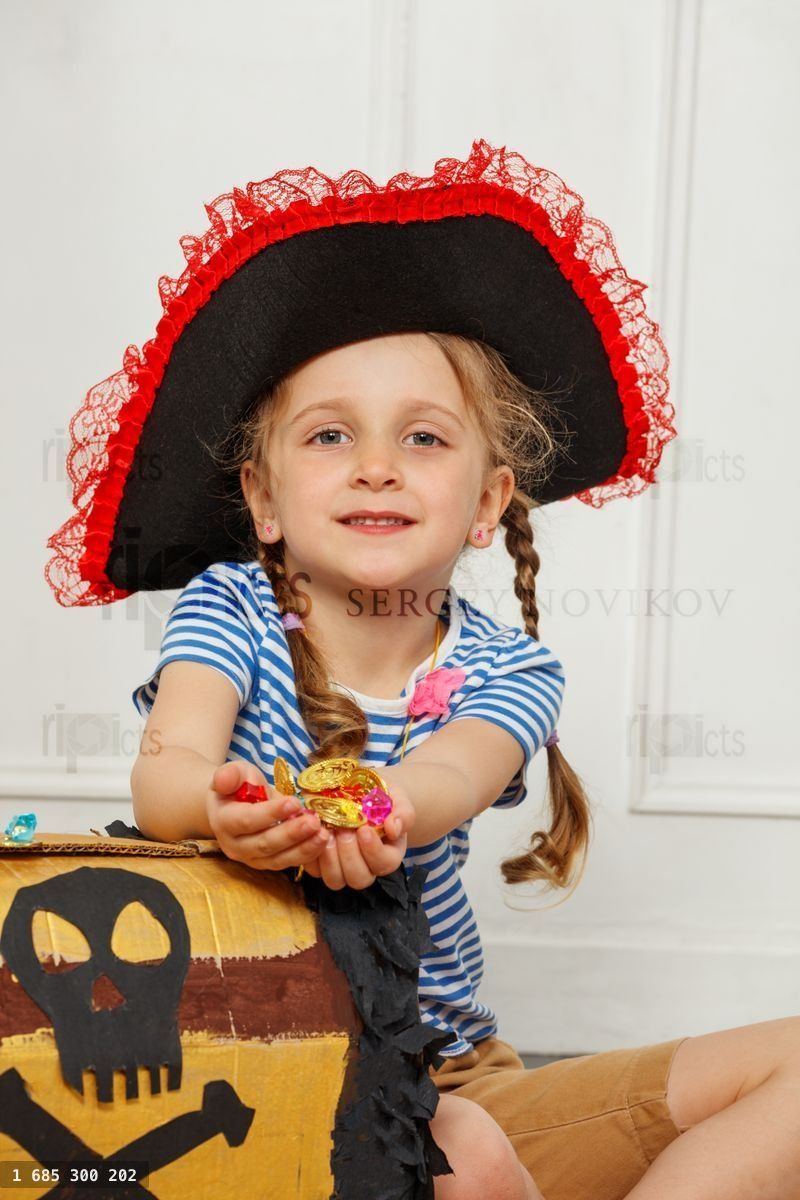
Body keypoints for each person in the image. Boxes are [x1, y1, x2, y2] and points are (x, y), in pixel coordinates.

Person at [46, 139, 800, 1200]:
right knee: (468, 1156)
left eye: (423, 439)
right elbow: (165, 775)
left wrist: (370, 811)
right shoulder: (229, 612)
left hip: (445, 1067)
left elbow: (441, 782)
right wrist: (221, 816)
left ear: (488, 502)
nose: (375, 465)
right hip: (269, 1059)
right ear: (262, 500)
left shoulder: (513, 669)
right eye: (328, 436)